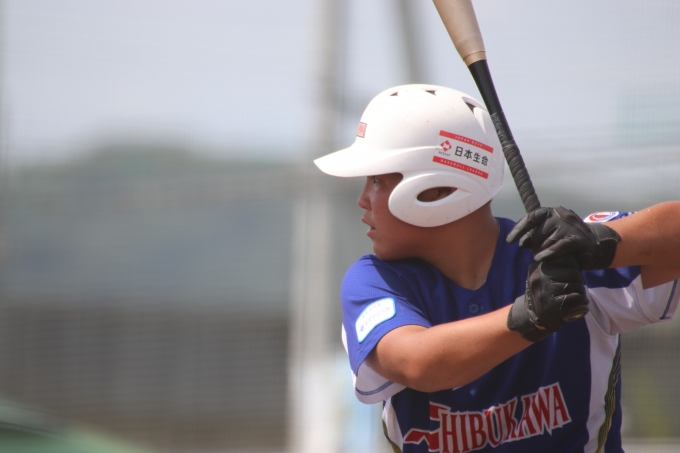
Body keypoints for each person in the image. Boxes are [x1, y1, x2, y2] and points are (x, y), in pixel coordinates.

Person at [313, 84, 680, 453]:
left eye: (378, 180)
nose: (363, 200)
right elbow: (416, 363)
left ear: (436, 189)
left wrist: (599, 243)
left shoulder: (560, 260)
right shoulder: (375, 281)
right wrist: (530, 317)